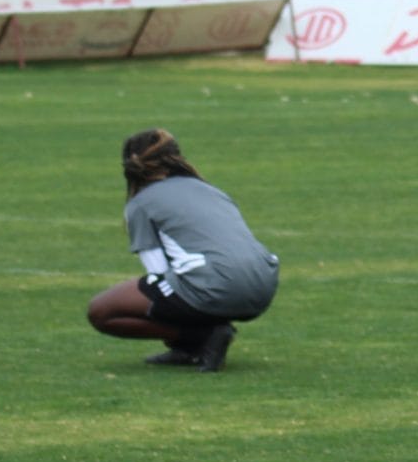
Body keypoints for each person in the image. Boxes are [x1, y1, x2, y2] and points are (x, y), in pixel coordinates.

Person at [87, 128, 279, 372]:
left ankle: (203, 337)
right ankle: (188, 349)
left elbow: (158, 273)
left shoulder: (141, 203)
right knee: (177, 288)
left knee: (102, 311)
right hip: (264, 282)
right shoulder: (210, 190)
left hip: (219, 285)